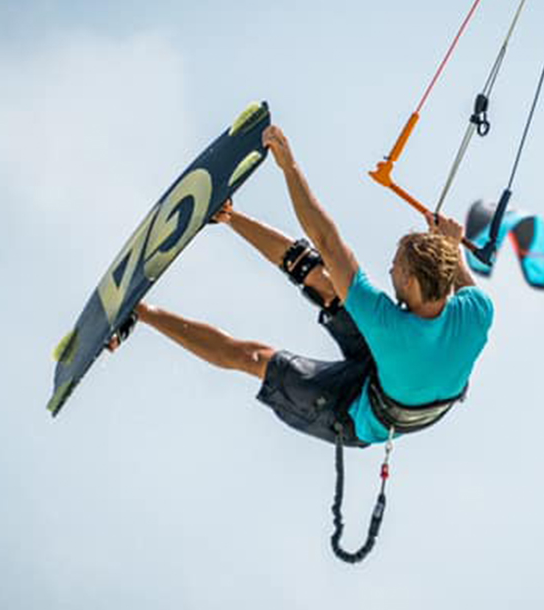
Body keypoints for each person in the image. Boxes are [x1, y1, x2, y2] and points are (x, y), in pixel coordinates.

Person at [110, 125, 493, 447]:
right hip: (401, 372)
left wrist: (288, 165)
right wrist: (451, 244)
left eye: (395, 266)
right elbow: (457, 273)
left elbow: (326, 238)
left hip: (358, 413)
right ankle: (226, 215)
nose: (389, 268)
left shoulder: (388, 325)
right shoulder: (476, 312)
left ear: (409, 281)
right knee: (324, 282)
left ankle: (141, 313)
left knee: (256, 358)